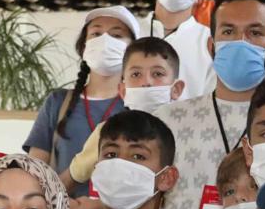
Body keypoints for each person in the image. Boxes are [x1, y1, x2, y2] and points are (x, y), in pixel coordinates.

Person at [159, 0, 265, 209]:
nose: (241, 42)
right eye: (228, 31)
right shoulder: (168, 120)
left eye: (255, 32)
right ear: (211, 46)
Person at [27, 6, 139, 175]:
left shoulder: (138, 104)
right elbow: (34, 170)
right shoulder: (57, 102)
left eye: (116, 35)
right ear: (84, 46)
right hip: (62, 193)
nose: (105, 40)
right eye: (96, 34)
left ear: (133, 48)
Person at [63, 37, 187, 188]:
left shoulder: (190, 132)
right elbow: (70, 178)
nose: (146, 83)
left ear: (176, 89)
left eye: (157, 74)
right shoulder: (107, 132)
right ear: (122, 91)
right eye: (136, 74)